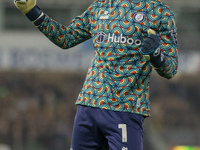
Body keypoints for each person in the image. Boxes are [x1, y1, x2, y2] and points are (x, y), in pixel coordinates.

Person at [14, 0, 178, 149]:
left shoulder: (160, 13)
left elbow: (171, 69)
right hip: (88, 105)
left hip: (125, 108)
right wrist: (33, 12)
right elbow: (66, 38)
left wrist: (156, 55)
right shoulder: (100, 6)